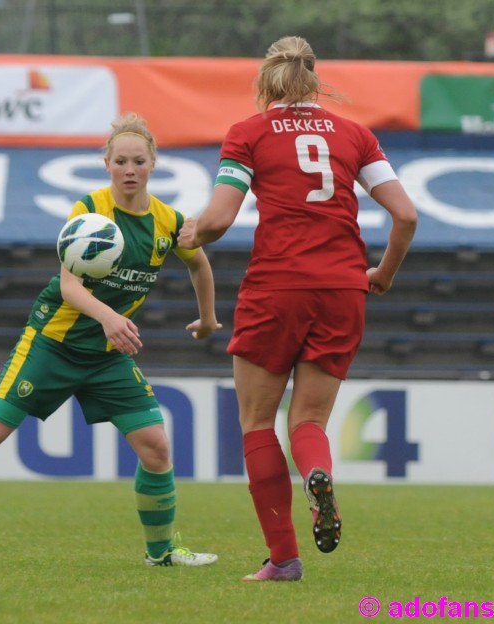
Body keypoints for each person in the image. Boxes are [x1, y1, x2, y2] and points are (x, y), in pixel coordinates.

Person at [0, 112, 222, 568]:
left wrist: (206, 320)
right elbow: (69, 285)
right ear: (106, 163)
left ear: (154, 163)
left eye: (139, 161)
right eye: (121, 161)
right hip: (53, 343)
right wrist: (108, 318)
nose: (130, 170)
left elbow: (198, 264)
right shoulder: (90, 211)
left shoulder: (169, 221)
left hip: (105, 355)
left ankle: (159, 554)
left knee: (156, 447)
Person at [178, 35, 418, 582]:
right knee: (309, 420)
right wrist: (381, 273)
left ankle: (284, 560)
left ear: (267, 80)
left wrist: (192, 232)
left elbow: (218, 219)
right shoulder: (355, 134)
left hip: (276, 287)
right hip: (341, 289)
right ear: (315, 79)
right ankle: (316, 473)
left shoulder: (249, 133)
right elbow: (405, 216)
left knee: (257, 422)